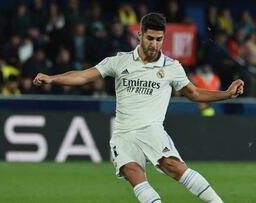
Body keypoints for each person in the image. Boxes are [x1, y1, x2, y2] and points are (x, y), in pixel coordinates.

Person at [33, 13, 244, 203]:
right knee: (133, 172)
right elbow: (83, 76)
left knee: (173, 166)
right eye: (150, 38)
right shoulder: (119, 61)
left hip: (151, 130)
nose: (154, 44)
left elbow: (195, 93)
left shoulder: (171, 67)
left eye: (159, 39)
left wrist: (226, 94)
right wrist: (52, 78)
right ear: (139, 34)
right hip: (123, 134)